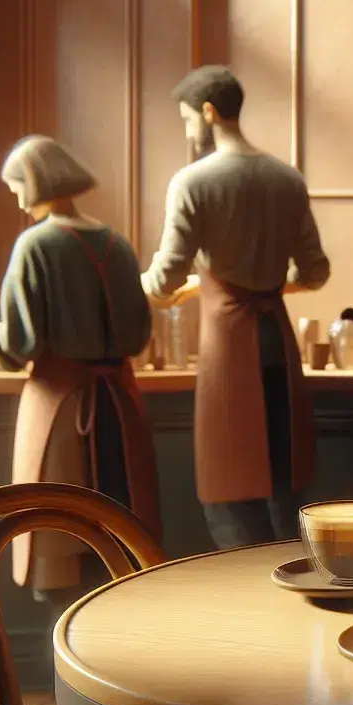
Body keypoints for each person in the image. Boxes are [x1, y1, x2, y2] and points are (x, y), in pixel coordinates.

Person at [0, 136, 160, 597]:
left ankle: (64, 665)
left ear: (33, 182)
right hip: (121, 414)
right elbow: (139, 333)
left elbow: (22, 340)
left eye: (15, 186)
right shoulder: (117, 245)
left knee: (60, 554)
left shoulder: (35, 245)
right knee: (122, 552)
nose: (15, 197)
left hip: (61, 414)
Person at [142, 65, 329, 548]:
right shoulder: (287, 179)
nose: (188, 130)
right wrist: (265, 286)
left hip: (227, 344)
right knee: (286, 483)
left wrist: (142, 283)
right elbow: (315, 273)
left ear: (208, 112)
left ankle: (245, 596)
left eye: (187, 119)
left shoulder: (192, 182)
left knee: (231, 488)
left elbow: (163, 280)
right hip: (277, 344)